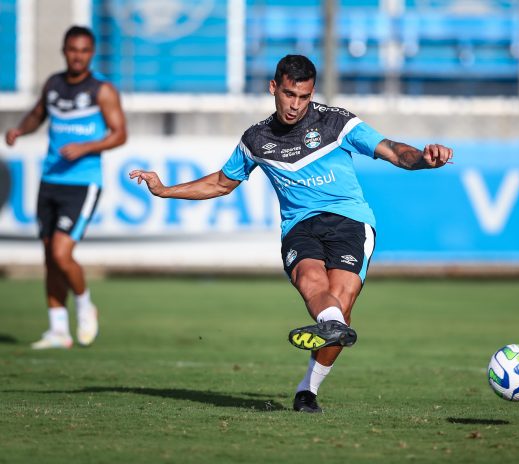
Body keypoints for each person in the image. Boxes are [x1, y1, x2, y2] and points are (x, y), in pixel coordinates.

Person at [129, 55, 451, 412]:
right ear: (273, 88)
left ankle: (307, 389)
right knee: (314, 285)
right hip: (299, 226)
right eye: (289, 94)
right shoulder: (256, 139)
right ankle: (330, 326)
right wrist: (165, 190)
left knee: (340, 304)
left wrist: (424, 158)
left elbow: (392, 150)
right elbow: (221, 183)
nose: (295, 105)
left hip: (349, 221)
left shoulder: (337, 123)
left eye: (304, 97)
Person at [5, 26, 127, 349]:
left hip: (83, 183)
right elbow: (37, 114)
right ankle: (58, 329)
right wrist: (19, 130)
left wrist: (85, 147)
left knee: (62, 252)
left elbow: (119, 134)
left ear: (92, 53)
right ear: (64, 50)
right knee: (49, 256)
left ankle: (85, 305)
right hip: (50, 180)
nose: (78, 55)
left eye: (84, 50)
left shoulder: (102, 90)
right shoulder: (54, 85)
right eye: (73, 49)